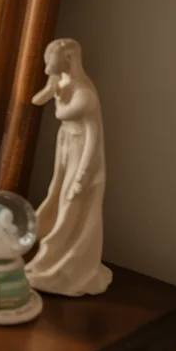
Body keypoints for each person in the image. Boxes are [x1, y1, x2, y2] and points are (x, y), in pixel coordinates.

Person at [25, 38, 111, 296]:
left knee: (72, 202)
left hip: (82, 151)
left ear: (69, 59)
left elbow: (90, 134)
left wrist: (83, 174)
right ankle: (51, 258)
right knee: (56, 196)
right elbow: (37, 100)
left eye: (50, 61)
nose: (47, 66)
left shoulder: (85, 93)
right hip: (66, 146)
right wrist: (52, 87)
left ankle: (65, 265)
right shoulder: (60, 80)